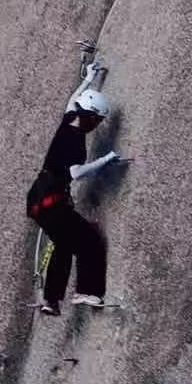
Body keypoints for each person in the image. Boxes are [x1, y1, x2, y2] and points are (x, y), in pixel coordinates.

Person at [27, 60, 121, 316]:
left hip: (36, 200)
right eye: (98, 120)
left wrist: (89, 78)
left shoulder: (69, 120)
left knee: (64, 245)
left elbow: (73, 100)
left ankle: (51, 300)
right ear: (90, 117)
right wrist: (106, 160)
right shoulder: (75, 142)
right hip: (53, 203)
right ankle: (87, 291)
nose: (98, 125)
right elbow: (76, 173)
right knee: (89, 241)